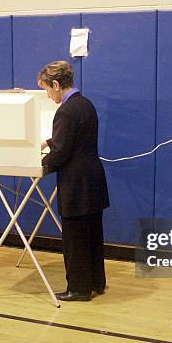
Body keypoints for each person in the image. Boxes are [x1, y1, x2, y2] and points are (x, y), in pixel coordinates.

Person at [39, 61, 110, 301]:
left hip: (76, 184)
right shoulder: (85, 104)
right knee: (92, 236)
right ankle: (96, 283)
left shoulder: (66, 110)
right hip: (93, 179)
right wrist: (49, 143)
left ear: (56, 85)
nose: (48, 96)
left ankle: (78, 289)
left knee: (75, 238)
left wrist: (40, 160)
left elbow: (62, 153)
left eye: (47, 90)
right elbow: (74, 137)